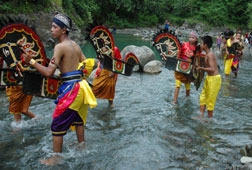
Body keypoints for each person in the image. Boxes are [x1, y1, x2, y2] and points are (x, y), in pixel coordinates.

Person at [23, 13, 97, 165]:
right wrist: (72, 71)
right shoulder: (75, 45)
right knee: (78, 119)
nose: (51, 29)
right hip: (81, 88)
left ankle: (56, 157)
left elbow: (49, 73)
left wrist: (31, 61)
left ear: (63, 30)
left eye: (54, 27)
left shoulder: (59, 47)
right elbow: (87, 64)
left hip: (71, 90)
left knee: (57, 124)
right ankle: (81, 146)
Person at [195, 36, 221, 119]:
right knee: (203, 97)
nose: (200, 44)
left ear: (205, 45)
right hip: (209, 78)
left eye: (201, 43)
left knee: (210, 100)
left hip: (214, 79)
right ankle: (201, 116)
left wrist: (201, 68)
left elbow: (213, 69)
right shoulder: (207, 54)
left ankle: (210, 120)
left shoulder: (210, 55)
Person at [173, 31, 198, 103]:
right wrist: (176, 64)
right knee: (178, 83)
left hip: (189, 69)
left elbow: (197, 59)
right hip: (180, 67)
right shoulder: (184, 44)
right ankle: (175, 101)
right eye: (190, 37)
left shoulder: (197, 48)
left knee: (188, 84)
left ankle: (187, 98)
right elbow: (179, 54)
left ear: (196, 39)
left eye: (192, 37)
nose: (190, 39)